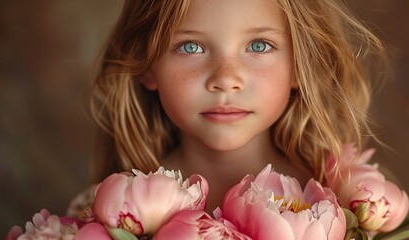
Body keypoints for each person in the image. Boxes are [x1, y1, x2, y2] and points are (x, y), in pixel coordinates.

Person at [83, 0, 385, 214]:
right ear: (147, 65)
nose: (226, 80)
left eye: (259, 45)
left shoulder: (334, 205)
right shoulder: (114, 210)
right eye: (191, 47)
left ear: (299, 66)